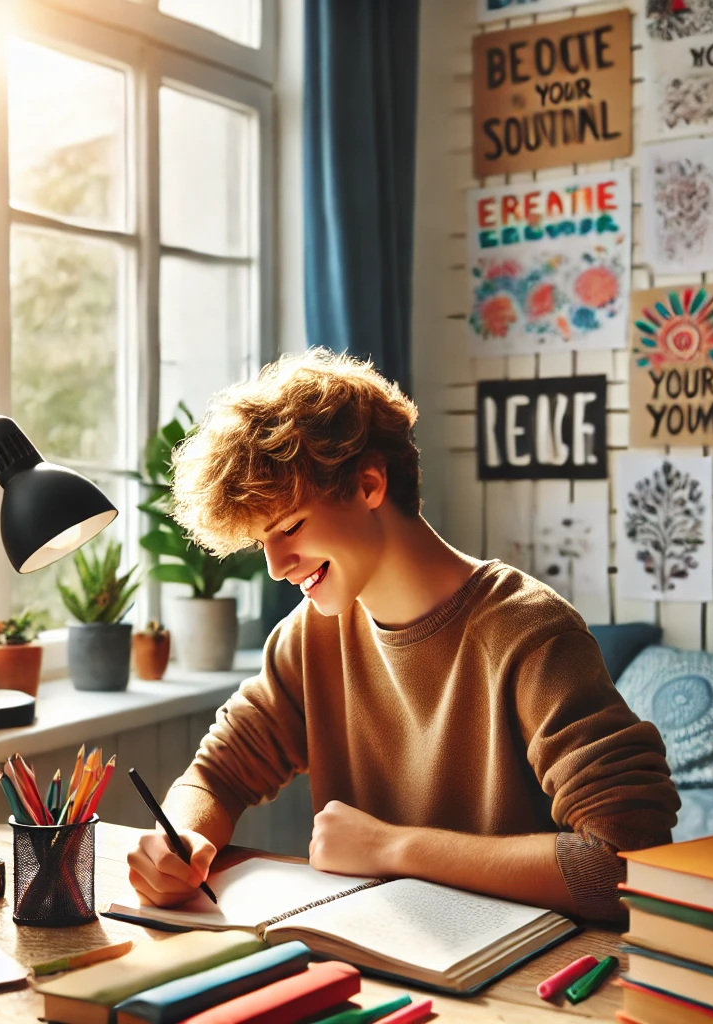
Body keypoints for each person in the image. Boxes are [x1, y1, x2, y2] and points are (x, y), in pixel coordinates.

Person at [127, 348, 679, 922]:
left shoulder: (529, 633)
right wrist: (180, 839)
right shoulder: (310, 638)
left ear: (369, 484)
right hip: (375, 962)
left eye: (290, 526)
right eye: (261, 540)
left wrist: (391, 847)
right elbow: (217, 776)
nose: (275, 565)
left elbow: (627, 861)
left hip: (525, 980)